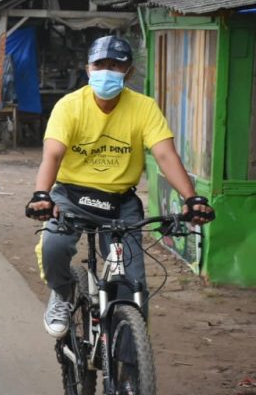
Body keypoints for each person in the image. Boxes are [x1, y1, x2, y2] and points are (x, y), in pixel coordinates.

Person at [25, 35, 215, 337]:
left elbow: (165, 154)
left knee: (131, 283)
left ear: (129, 71)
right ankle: (61, 294)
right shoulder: (69, 106)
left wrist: (191, 199)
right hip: (72, 196)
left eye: (116, 64)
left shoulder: (144, 107)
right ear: (88, 68)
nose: (107, 70)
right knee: (54, 245)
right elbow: (53, 154)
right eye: (100, 63)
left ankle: (130, 369)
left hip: (120, 204)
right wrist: (41, 195)